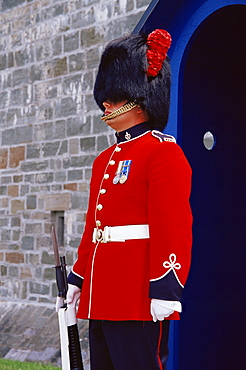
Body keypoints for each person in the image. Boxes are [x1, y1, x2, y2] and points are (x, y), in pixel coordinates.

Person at [62, 29, 192, 369]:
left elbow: (172, 224)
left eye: (116, 96)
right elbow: (95, 227)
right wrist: (78, 278)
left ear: (139, 96)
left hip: (137, 295)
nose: (106, 102)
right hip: (100, 293)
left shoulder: (162, 153)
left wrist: (166, 287)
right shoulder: (104, 161)